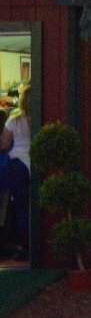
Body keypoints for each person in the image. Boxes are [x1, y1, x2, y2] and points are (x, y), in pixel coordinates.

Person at [0, 85, 31, 261]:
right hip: (35, 163)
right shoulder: (39, 117)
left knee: (21, 208)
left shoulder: (15, 119)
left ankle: (25, 246)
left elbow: (4, 144)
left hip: (17, 164)